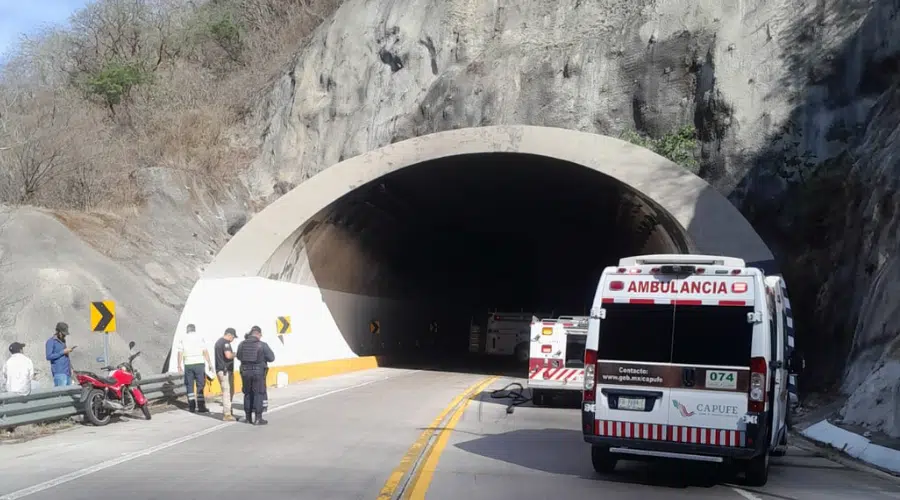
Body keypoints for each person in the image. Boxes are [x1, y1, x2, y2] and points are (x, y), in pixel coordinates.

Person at [235, 325, 275, 425]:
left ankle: (248, 418)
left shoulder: (241, 344)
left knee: (247, 394)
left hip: (245, 372)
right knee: (258, 394)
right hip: (258, 373)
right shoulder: (262, 345)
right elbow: (271, 358)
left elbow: (239, 356)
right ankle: (258, 418)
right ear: (258, 334)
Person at [176, 323, 212, 413]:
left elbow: (180, 352)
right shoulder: (200, 337)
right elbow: (205, 351)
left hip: (188, 364)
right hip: (199, 364)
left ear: (187, 330)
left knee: (189, 386)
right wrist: (209, 363)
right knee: (200, 385)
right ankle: (201, 406)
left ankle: (191, 406)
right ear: (194, 329)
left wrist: (179, 365)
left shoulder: (183, 339)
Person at [214, 327, 237, 421]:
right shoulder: (225, 343)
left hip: (220, 370)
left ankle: (229, 411)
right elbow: (228, 355)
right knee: (227, 392)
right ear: (229, 335)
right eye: (233, 337)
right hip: (225, 371)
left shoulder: (218, 342)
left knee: (228, 391)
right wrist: (235, 354)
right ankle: (227, 414)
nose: (233, 339)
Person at [45, 322, 75, 387]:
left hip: (67, 373)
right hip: (59, 373)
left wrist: (71, 369)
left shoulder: (63, 341)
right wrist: (62, 352)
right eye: (63, 334)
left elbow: (66, 357)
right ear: (58, 331)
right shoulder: (51, 341)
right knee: (62, 395)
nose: (64, 336)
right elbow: (48, 356)